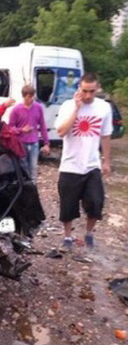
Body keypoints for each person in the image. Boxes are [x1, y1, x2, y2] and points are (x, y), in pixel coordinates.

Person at [55, 73, 112, 251]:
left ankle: (88, 233)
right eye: (85, 91)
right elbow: (61, 132)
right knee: (68, 206)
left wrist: (106, 161)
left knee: (95, 202)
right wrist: (76, 109)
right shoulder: (67, 106)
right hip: (70, 165)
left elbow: (106, 135)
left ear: (98, 88)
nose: (88, 95)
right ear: (79, 88)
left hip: (92, 164)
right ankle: (67, 237)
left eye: (91, 91)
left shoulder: (104, 107)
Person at [9, 85, 50, 182]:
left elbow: (42, 125)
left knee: (33, 169)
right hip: (21, 143)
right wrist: (21, 130)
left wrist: (46, 143)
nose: (31, 99)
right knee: (23, 168)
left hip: (34, 142)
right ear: (24, 96)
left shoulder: (38, 107)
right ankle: (24, 187)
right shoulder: (16, 110)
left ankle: (33, 187)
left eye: (32, 96)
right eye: (29, 97)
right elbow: (10, 128)